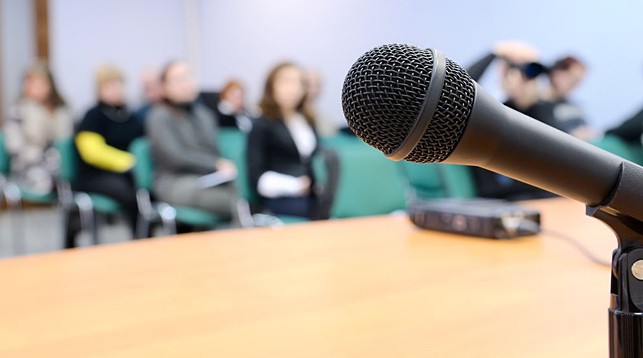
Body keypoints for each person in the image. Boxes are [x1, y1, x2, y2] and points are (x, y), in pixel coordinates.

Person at [146, 60, 241, 228]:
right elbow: (175, 156)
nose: (185, 84)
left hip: (210, 179)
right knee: (235, 203)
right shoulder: (159, 116)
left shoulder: (203, 114)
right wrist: (215, 164)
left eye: (188, 77)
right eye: (178, 80)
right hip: (176, 182)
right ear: (165, 87)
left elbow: (214, 150)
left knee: (246, 192)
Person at [467, 41, 557, 200]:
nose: (526, 78)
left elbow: (555, 147)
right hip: (501, 201)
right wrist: (495, 53)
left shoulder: (543, 112)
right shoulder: (492, 114)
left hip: (541, 198)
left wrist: (529, 97)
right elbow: (460, 89)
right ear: (504, 75)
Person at [74, 64, 144, 237]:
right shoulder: (93, 116)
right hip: (95, 175)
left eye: (118, 84)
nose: (115, 90)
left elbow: (142, 144)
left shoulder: (130, 116)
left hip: (127, 174)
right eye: (109, 86)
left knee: (150, 192)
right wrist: (128, 161)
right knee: (131, 196)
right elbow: (92, 152)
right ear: (99, 89)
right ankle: (140, 241)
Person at [247, 62, 320, 219]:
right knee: (321, 209)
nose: (292, 88)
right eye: (286, 81)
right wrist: (296, 186)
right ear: (271, 86)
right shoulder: (262, 123)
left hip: (312, 193)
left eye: (298, 82)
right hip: (282, 196)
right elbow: (256, 177)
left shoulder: (307, 120)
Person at [4, 61, 73, 194]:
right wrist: (43, 155)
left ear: (50, 85)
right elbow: (14, 146)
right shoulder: (18, 110)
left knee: (74, 176)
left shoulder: (61, 110)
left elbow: (66, 141)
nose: (36, 87)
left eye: (40, 83)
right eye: (31, 83)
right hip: (29, 164)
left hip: (59, 162)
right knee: (56, 179)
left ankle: (73, 210)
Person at [546, 55, 595, 141]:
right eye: (571, 78)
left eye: (577, 81)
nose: (574, 85)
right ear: (556, 74)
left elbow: (587, 133)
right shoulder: (531, 101)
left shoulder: (575, 109)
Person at [304, 69, 337, 137]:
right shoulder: (294, 117)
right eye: (309, 85)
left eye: (317, 85)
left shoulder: (323, 118)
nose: (313, 90)